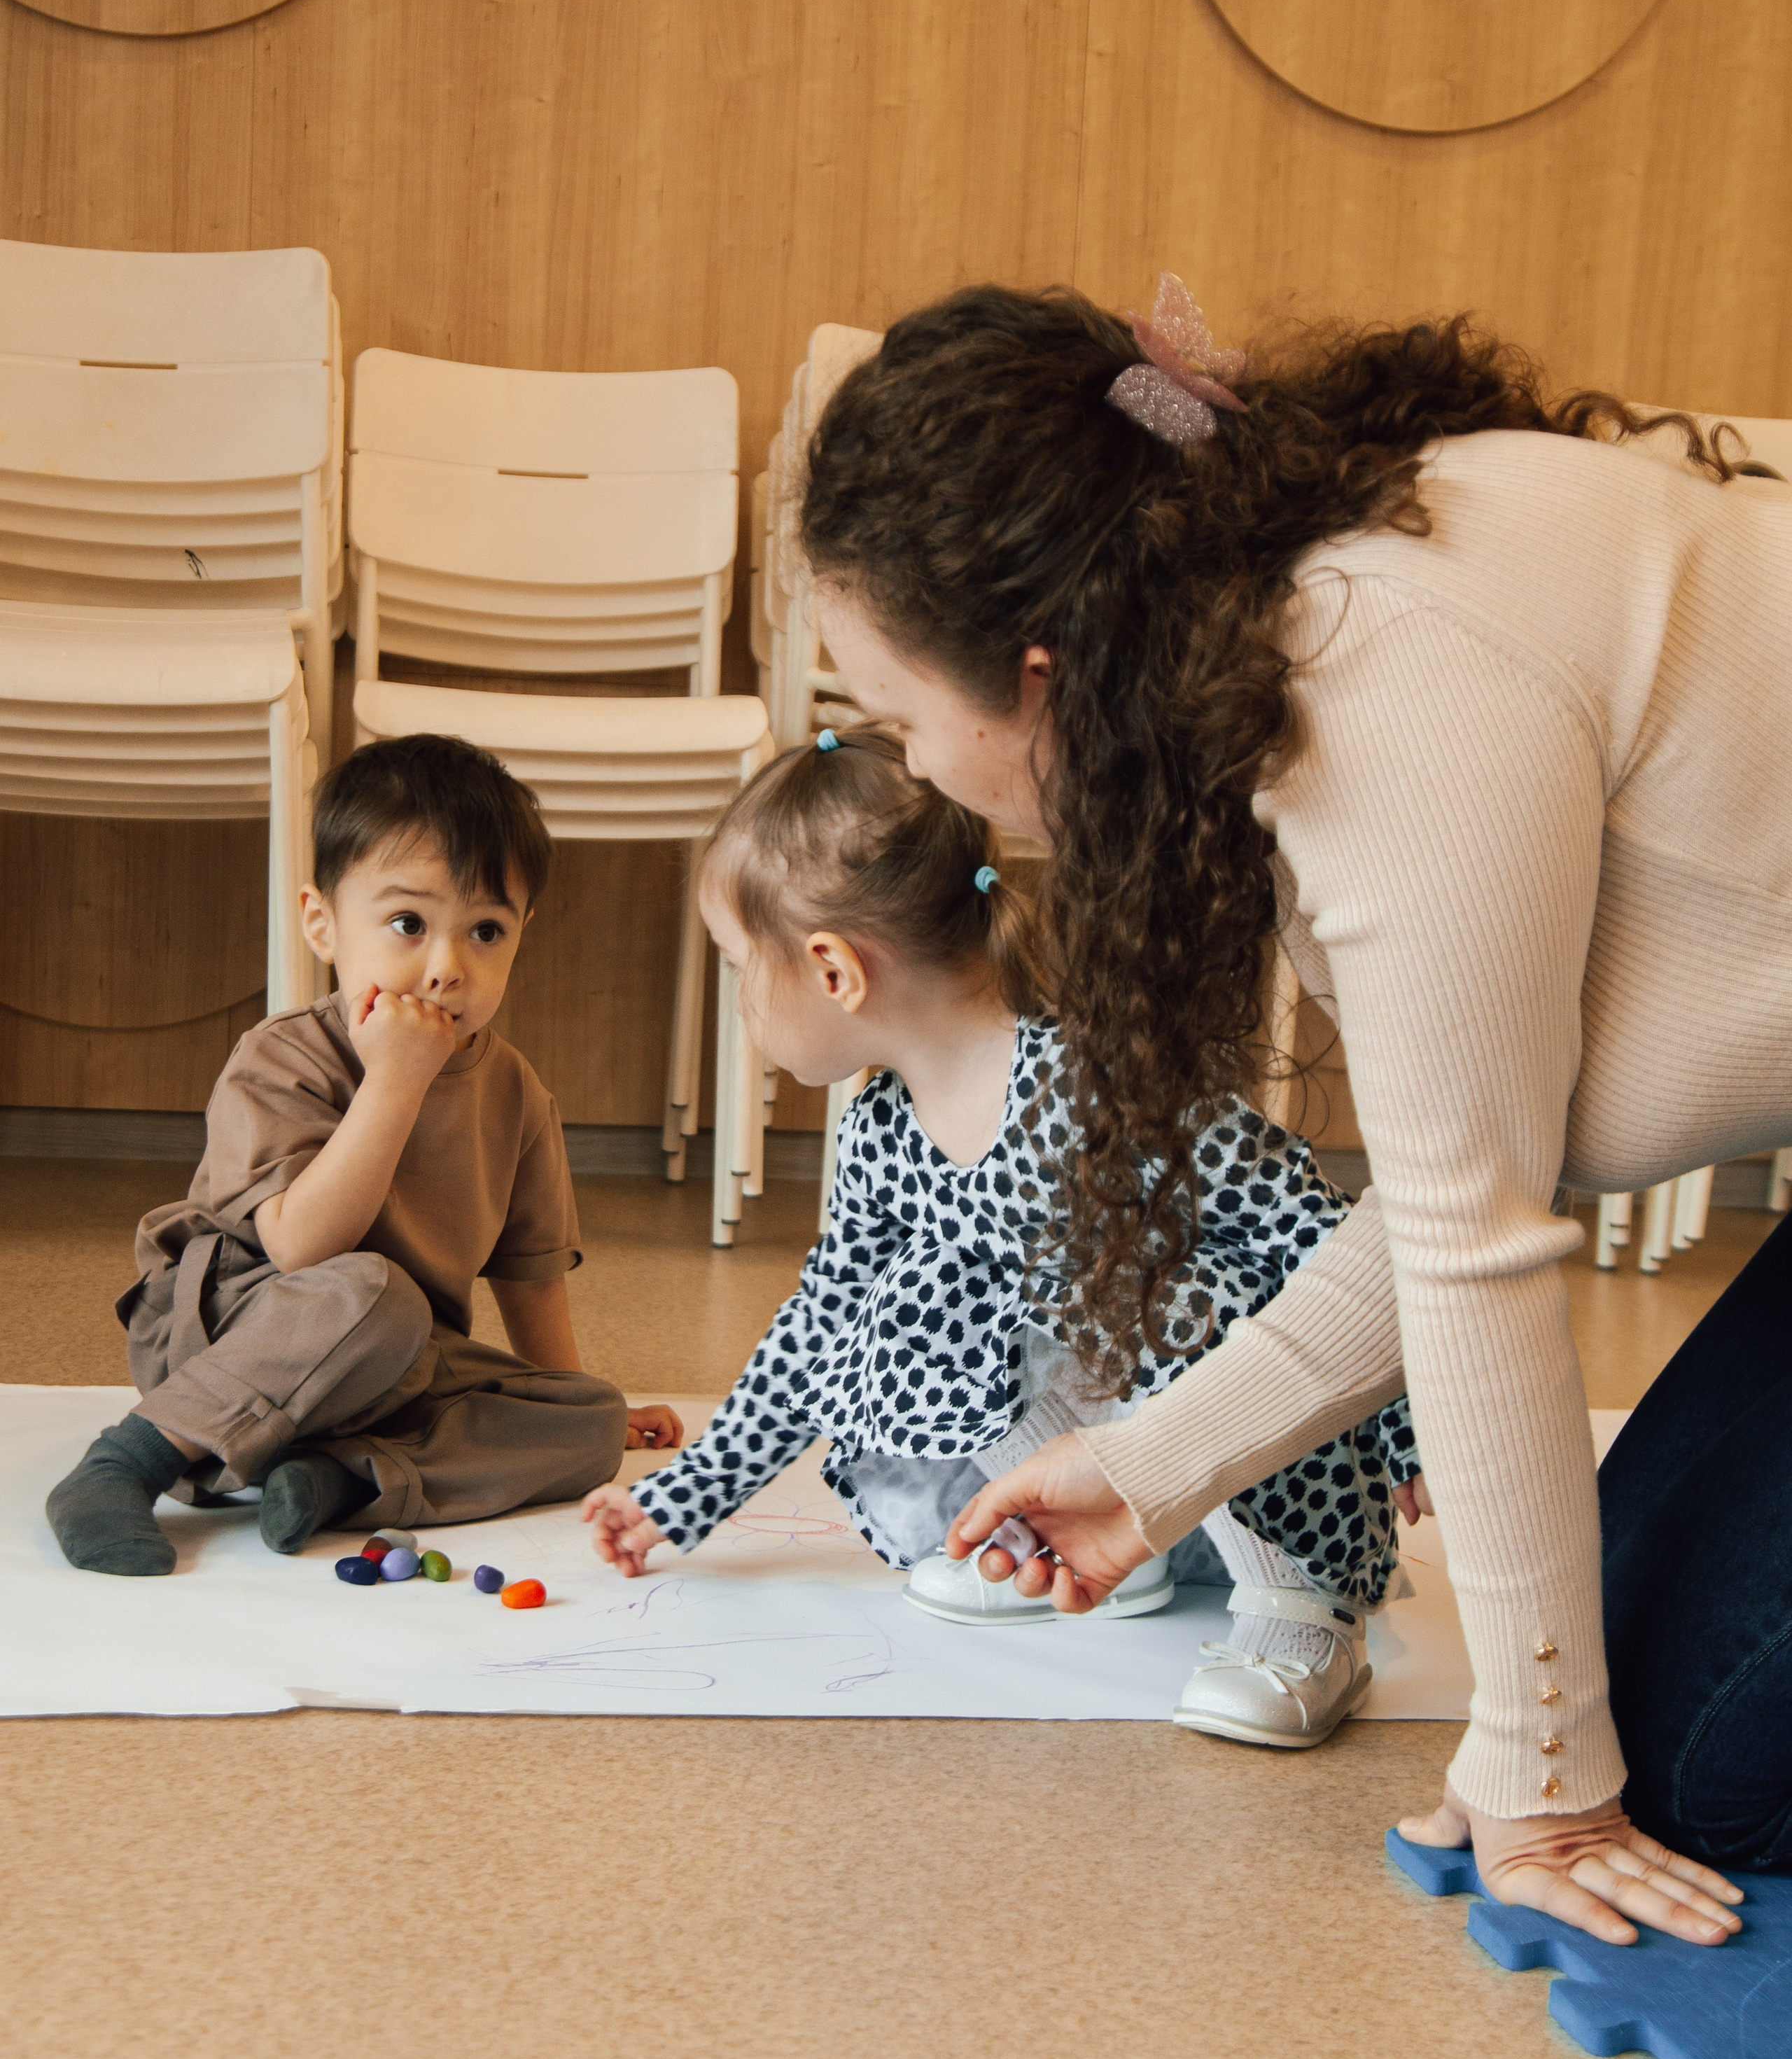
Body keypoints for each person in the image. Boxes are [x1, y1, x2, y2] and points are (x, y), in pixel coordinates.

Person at [794, 274, 1791, 1944]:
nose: (911, 764)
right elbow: (1444, 1186)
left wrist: (1546, 1772)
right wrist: (1151, 1464)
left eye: (901, 715)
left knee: (1681, 1755)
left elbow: (1477, 1249)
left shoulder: (1370, 677)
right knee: (1619, 1645)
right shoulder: (1296, 620)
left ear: (1036, 679)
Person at [584, 725, 1420, 1747]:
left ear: (834, 969)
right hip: (1138, 1498)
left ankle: (1307, 1610)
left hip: (1263, 1476)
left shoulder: (1088, 1086)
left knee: (1128, 1283)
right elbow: (820, 1329)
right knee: (910, 1297)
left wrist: (1400, 1420)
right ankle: (1099, 1547)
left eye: (736, 965)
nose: (742, 1002)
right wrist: (691, 1494)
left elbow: (1304, 1220)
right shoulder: (881, 1130)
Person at [47, 732, 680, 1577]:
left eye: (486, 931)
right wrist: (397, 1080)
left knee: (590, 1417)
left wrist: (569, 1400)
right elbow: (302, 1247)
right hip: (239, 1332)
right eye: (408, 923)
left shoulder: (519, 1095)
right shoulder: (281, 1057)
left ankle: (339, 1478)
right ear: (323, 923)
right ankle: (128, 1460)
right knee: (376, 1293)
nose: (446, 968)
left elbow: (531, 1284)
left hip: (396, 1364)